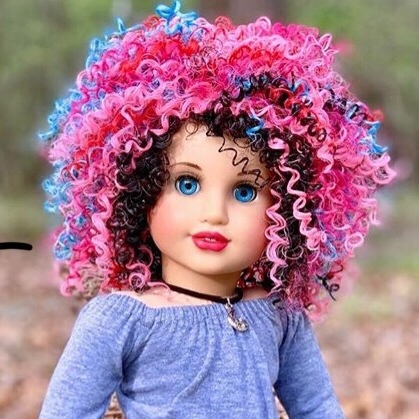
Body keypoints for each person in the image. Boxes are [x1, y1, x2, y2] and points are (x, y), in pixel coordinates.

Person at [39, 1, 394, 418]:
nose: (215, 214)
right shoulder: (120, 320)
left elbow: (317, 406)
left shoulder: (278, 315)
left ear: (286, 211)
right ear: (139, 193)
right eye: (187, 184)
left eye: (244, 191)